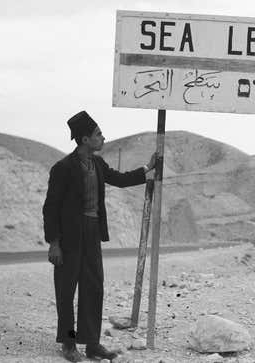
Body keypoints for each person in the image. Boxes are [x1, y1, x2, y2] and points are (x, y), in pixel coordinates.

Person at [42, 110, 156, 362]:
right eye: (98, 134)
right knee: (66, 289)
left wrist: (148, 168)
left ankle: (92, 344)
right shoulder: (62, 168)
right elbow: (50, 208)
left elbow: (120, 179)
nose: (103, 138)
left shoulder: (97, 164)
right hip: (69, 236)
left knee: (93, 288)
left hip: (92, 232)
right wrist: (54, 243)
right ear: (84, 139)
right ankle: (69, 344)